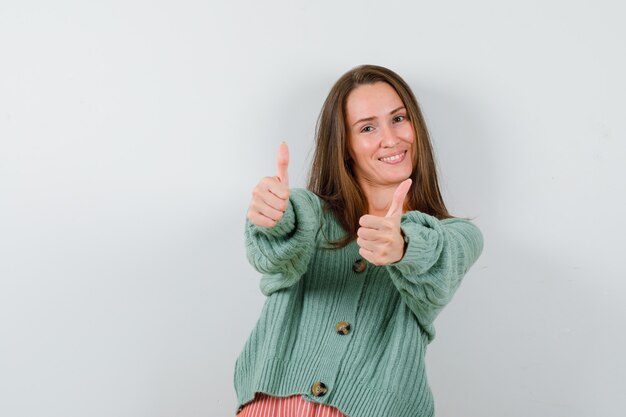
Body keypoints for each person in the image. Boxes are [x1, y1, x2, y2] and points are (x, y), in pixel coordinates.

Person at [233, 64, 484, 417]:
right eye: (368, 127)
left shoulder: (455, 235)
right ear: (346, 146)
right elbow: (282, 237)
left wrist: (402, 246)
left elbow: (439, 257)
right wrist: (274, 214)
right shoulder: (312, 214)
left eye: (398, 119)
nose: (391, 138)